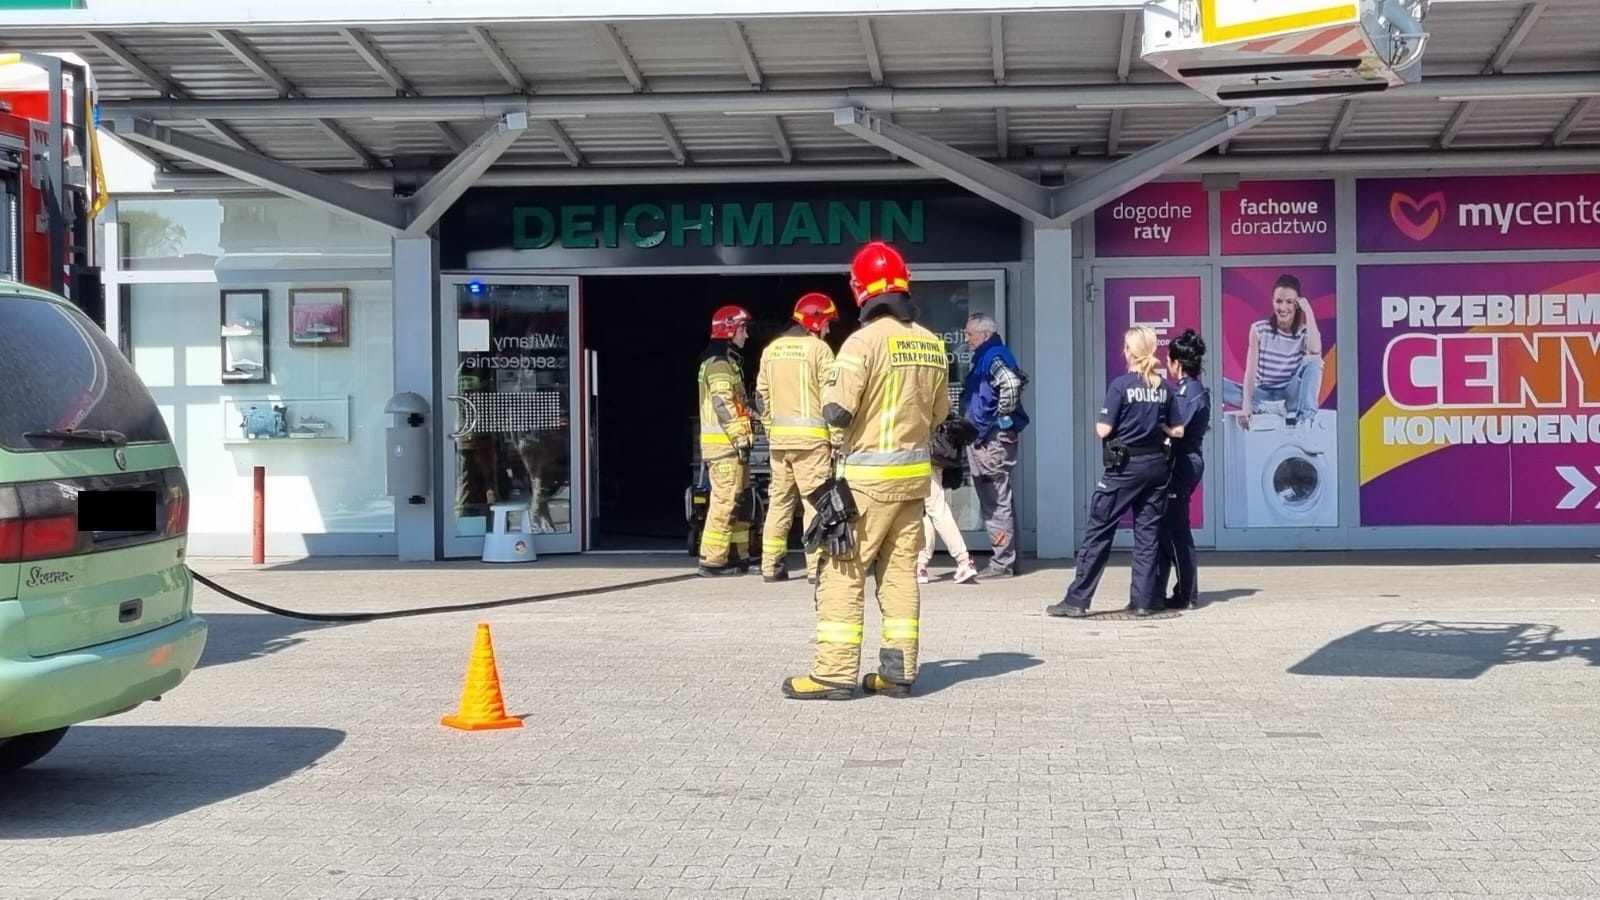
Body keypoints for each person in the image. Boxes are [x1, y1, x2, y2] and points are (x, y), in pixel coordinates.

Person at [782, 240, 949, 700]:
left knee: (843, 571)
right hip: (912, 483)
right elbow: (939, 414)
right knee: (898, 577)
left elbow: (836, 411)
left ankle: (832, 674)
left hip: (867, 484)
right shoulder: (932, 343)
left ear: (860, 288)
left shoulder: (862, 341)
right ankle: (898, 673)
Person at [1046, 326, 1184, 620]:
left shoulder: (1121, 386)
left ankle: (1077, 600)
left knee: (1099, 531)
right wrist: (1158, 427)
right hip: (1157, 467)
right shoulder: (1163, 387)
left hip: (1124, 469)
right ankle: (1144, 602)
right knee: (1147, 536)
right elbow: (1178, 430)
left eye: (1125, 346)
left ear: (1131, 352)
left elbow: (1103, 430)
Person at [755, 291, 841, 584]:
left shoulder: (771, 350)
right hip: (812, 443)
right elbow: (832, 398)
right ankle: (816, 567)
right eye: (827, 323)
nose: (829, 329)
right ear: (814, 321)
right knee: (814, 504)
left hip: (779, 444)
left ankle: (771, 567)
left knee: (779, 504)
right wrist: (838, 438)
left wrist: (770, 430)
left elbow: (760, 398)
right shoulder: (819, 351)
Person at [959, 312, 1029, 578]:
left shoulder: (993, 354)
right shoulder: (990, 355)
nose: (966, 339)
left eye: (970, 334)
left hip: (990, 442)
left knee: (995, 499)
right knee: (1000, 498)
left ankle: (1002, 564)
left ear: (985, 334)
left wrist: (1000, 421)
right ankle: (1010, 560)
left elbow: (1010, 383)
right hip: (988, 438)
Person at [695, 304, 757, 577]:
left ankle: (737, 556)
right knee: (724, 502)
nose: (746, 335)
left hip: (733, 445)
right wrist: (739, 436)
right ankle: (713, 560)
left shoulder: (727, 361)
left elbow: (739, 403)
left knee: (739, 502)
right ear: (729, 330)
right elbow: (722, 403)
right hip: (725, 446)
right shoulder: (719, 364)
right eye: (743, 329)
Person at [1154, 329, 1211, 611]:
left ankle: (1186, 593)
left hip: (1183, 462)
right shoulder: (1189, 389)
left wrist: (1155, 425)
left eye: (1169, 360)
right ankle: (1177, 589)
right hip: (1184, 461)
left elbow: (1177, 430)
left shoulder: (1191, 391)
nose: (1167, 365)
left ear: (1178, 362)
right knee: (1169, 528)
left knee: (1177, 530)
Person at [1223, 273, 1324, 430]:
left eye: (1289, 302)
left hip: (1290, 395)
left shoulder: (1304, 332)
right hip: (1263, 394)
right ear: (1273, 302)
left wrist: (1309, 311)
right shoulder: (1259, 330)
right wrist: (1246, 406)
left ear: (1297, 305)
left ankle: (1306, 420)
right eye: (1278, 301)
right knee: (1218, 385)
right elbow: (1250, 372)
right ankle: (1267, 407)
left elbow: (1315, 350)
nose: (1283, 308)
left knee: (1314, 361)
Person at [920, 414, 979, 584]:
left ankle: (963, 560)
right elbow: (947, 404)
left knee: (935, 508)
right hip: (934, 451)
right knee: (927, 509)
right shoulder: (935, 388)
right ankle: (920, 564)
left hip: (921, 451)